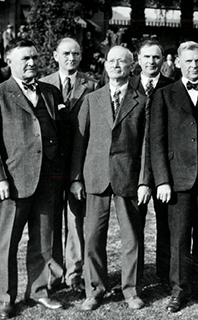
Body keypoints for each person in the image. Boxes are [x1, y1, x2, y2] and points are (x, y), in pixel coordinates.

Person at [150, 41, 198, 313]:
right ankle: (179, 289)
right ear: (178, 64)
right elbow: (156, 141)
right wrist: (162, 180)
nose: (194, 66)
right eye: (188, 61)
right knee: (180, 237)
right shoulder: (164, 94)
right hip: (177, 180)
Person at [70, 45, 151, 311]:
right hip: (95, 178)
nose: (117, 65)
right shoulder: (92, 99)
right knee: (93, 236)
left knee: (131, 237)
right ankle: (94, 290)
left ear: (132, 67)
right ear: (105, 66)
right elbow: (80, 142)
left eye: (123, 62)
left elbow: (146, 145)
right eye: (112, 61)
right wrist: (76, 178)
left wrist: (144, 181)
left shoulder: (142, 100)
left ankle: (131, 290)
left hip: (127, 177)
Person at [0, 38, 67, 319]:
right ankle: (4, 297)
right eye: (25, 58)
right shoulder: (1, 94)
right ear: (9, 62)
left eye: (34, 57)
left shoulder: (51, 92)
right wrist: (0, 178)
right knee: (7, 242)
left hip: (49, 178)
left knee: (43, 240)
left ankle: (39, 291)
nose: (31, 63)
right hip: (15, 181)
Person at [40, 37, 98, 293]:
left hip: (80, 163)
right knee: (50, 220)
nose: (71, 58)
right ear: (55, 55)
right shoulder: (43, 85)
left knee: (76, 220)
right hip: (51, 164)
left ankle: (74, 275)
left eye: (75, 53)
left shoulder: (93, 85)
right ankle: (53, 275)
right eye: (65, 53)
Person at [130, 39, 174, 287]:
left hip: (164, 167)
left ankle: (165, 275)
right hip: (135, 168)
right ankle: (134, 278)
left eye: (156, 57)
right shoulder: (128, 86)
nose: (151, 62)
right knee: (134, 224)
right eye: (146, 57)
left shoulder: (172, 87)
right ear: (138, 60)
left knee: (166, 224)